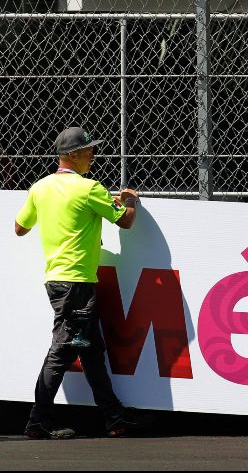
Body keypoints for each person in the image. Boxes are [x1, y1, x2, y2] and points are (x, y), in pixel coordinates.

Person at [15, 127, 151, 439]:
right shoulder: (89, 189)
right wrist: (129, 199)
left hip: (58, 280)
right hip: (77, 283)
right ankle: (38, 421)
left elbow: (20, 227)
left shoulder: (39, 188)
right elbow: (126, 220)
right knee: (63, 349)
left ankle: (114, 417)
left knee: (90, 349)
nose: (93, 154)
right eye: (88, 150)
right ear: (73, 155)